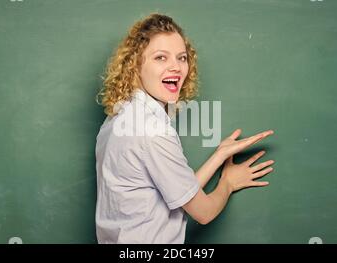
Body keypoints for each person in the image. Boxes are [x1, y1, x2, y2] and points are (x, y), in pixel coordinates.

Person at [95, 13, 274, 244]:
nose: (176, 67)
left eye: (182, 58)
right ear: (135, 65)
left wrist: (219, 156)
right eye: (161, 57)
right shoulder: (153, 130)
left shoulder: (117, 118)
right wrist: (227, 183)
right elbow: (204, 212)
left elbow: (175, 192)